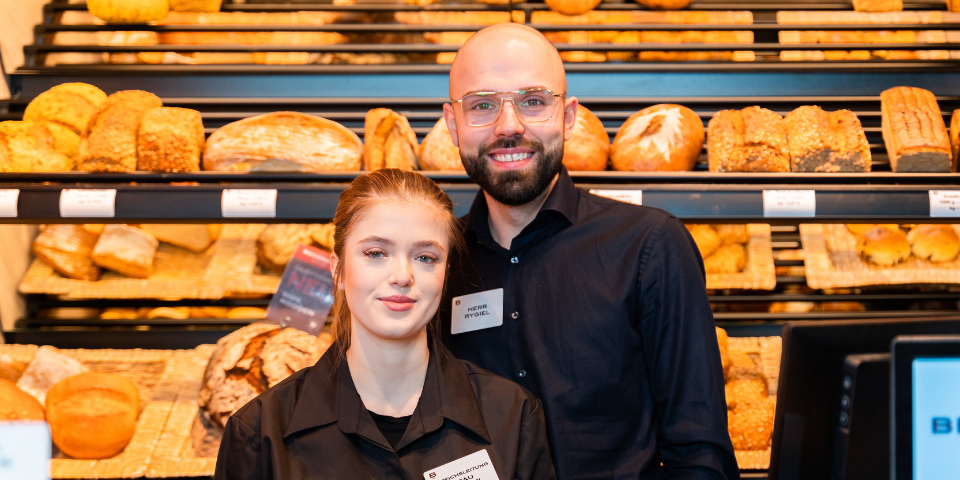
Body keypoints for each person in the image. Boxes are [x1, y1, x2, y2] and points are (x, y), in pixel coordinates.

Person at [439, 24, 740, 479]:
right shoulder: (435, 266)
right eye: (482, 105)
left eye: (533, 102)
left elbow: (698, 454)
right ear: (451, 123)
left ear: (568, 116)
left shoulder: (650, 247)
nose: (509, 126)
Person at [214, 169, 556, 480]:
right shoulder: (259, 432)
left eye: (426, 258)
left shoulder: (514, 416)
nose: (402, 277)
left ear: (445, 273)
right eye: (376, 253)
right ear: (338, 270)